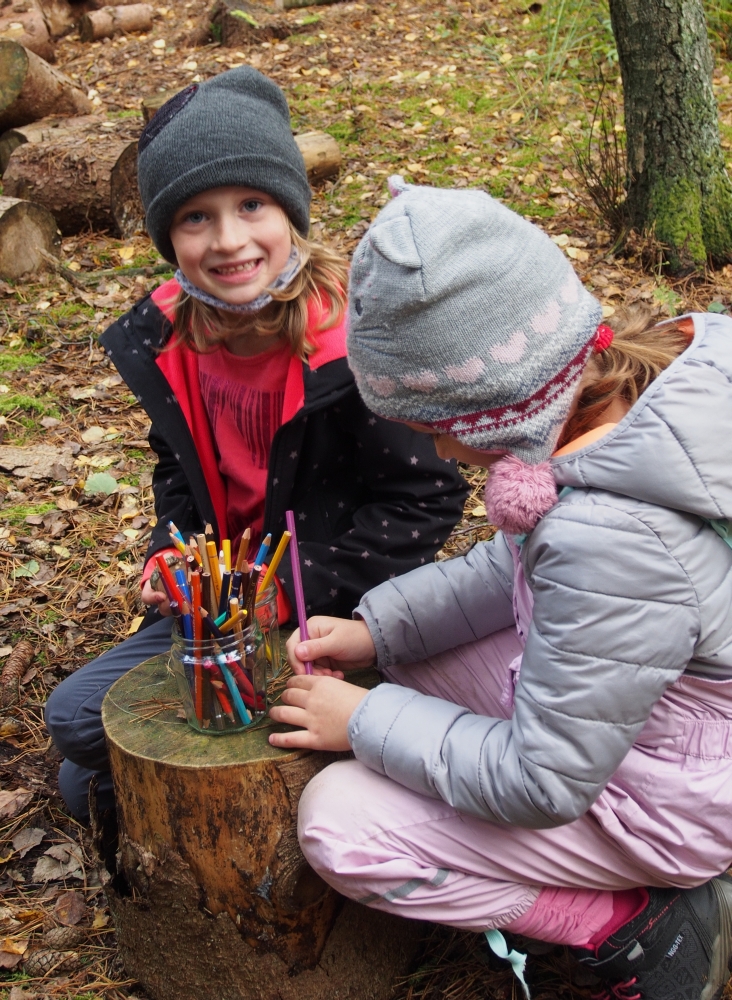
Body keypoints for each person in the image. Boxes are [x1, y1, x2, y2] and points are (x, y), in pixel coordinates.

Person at [269, 179, 732, 1000]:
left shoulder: (610, 538)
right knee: (408, 670)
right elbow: (510, 568)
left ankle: (631, 922)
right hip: (660, 721)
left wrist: (365, 721)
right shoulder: (626, 401)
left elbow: (541, 781)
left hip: (680, 802)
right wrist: (380, 630)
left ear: (492, 411)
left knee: (340, 825)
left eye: (434, 428)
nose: (440, 454)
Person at [44, 78, 467, 823]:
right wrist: (169, 553)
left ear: (290, 212)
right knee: (76, 727)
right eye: (196, 217)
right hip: (217, 607)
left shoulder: (355, 344)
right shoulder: (169, 340)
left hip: (334, 611)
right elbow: (177, 472)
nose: (230, 241)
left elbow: (423, 499)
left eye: (252, 206)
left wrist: (294, 585)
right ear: (167, 236)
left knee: (91, 762)